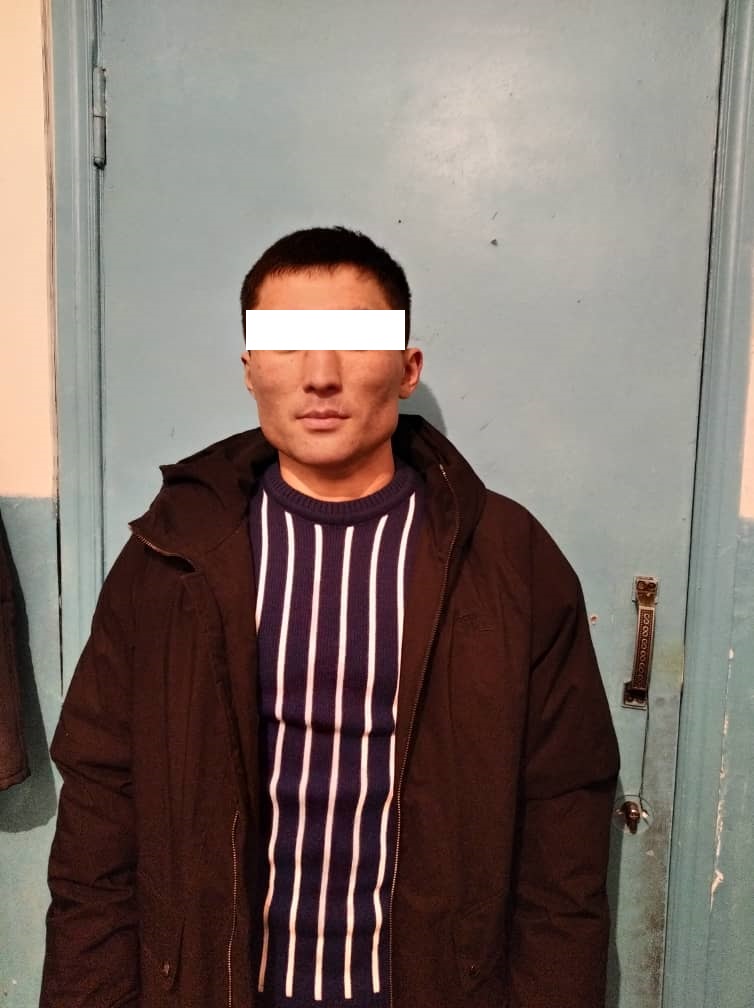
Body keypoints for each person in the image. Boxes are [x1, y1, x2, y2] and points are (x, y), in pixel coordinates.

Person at [41, 226, 620, 1008]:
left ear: (408, 368)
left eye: (354, 342)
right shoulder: (171, 558)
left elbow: (565, 834)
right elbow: (98, 817)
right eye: (285, 345)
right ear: (250, 369)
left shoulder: (511, 562)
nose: (320, 376)